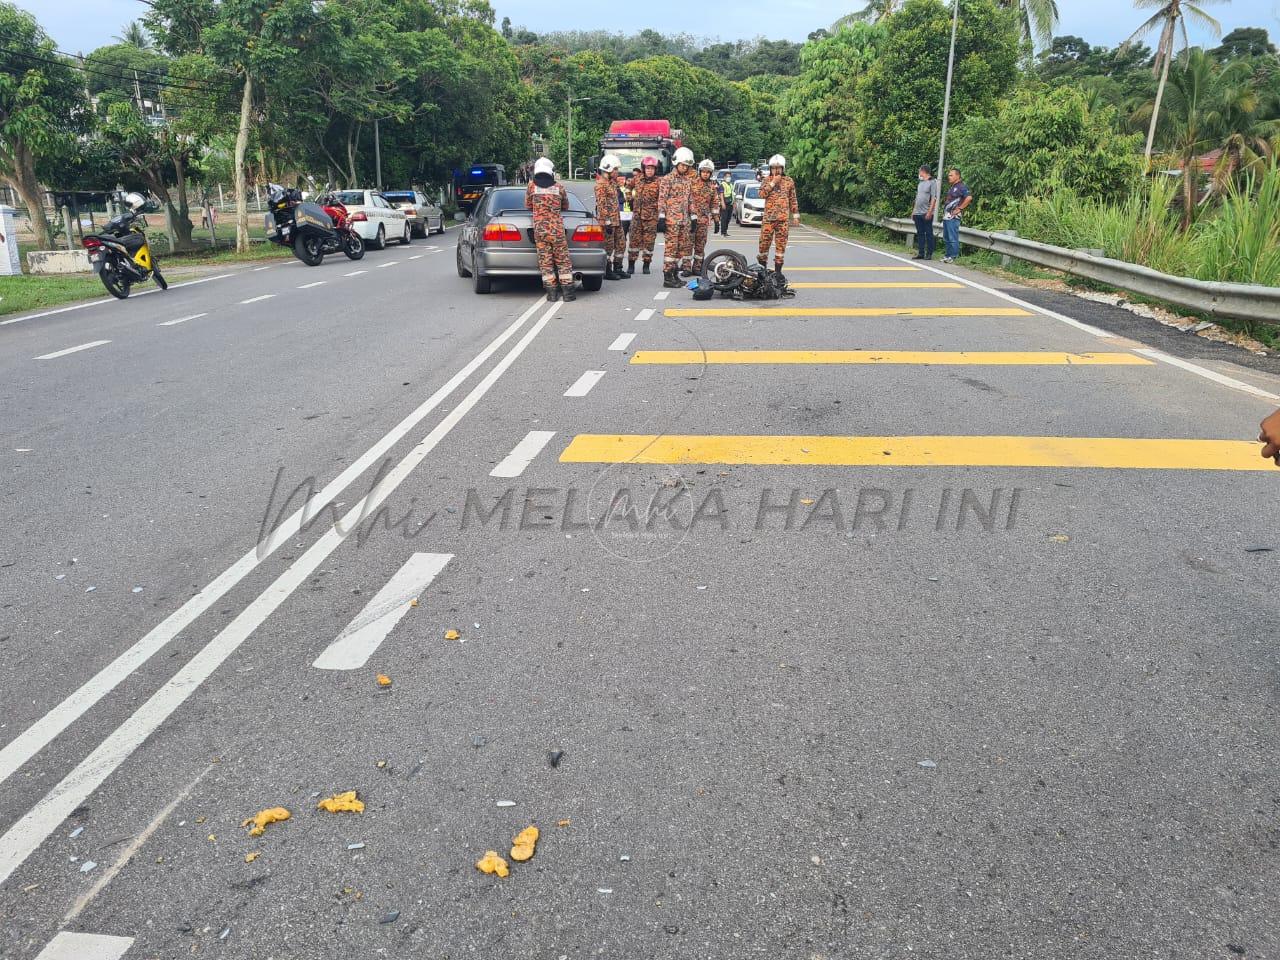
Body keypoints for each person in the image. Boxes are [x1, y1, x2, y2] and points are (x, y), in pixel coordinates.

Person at [525, 157, 576, 302]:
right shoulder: (559, 187)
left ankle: (552, 294)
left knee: (545, 262)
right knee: (563, 261)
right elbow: (565, 206)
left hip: (540, 231)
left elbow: (528, 205)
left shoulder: (531, 187)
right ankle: (568, 294)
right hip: (557, 231)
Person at [657, 146, 697, 287]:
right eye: (683, 165)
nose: (685, 168)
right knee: (671, 249)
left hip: (684, 220)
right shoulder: (667, 179)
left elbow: (690, 199)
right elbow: (662, 199)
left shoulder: (687, 181)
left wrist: (693, 218)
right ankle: (668, 277)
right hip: (671, 220)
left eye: (687, 166)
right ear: (676, 163)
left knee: (681, 248)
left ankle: (674, 274)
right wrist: (661, 217)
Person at [758, 153, 799, 275]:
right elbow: (761, 195)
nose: (776, 170)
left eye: (779, 168)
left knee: (781, 248)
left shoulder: (788, 181)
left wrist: (795, 215)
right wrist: (773, 183)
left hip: (783, 220)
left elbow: (793, 199)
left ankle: (778, 273)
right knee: (763, 246)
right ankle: (762, 271)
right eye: (774, 168)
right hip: (768, 220)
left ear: (783, 168)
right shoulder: (766, 180)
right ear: (770, 169)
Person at [594, 153, 627, 280]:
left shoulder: (612, 183)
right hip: (607, 222)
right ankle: (607, 270)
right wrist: (607, 221)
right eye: (615, 169)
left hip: (616, 220)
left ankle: (618, 268)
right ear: (608, 169)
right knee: (608, 247)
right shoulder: (600, 185)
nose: (617, 172)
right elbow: (602, 205)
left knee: (621, 244)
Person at [628, 156, 661, 276]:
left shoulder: (659, 182)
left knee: (649, 243)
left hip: (651, 218)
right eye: (647, 168)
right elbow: (628, 187)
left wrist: (660, 208)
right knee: (633, 242)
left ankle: (646, 265)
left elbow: (663, 197)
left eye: (652, 168)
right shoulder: (637, 179)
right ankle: (631, 264)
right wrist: (629, 198)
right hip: (637, 216)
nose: (649, 171)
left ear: (655, 170)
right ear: (644, 168)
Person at [689, 159, 723, 275]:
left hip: (703, 221)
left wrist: (717, 220)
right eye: (703, 171)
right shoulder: (692, 183)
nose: (705, 174)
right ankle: (686, 268)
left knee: (700, 245)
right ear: (700, 172)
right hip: (690, 220)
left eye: (708, 172)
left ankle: (697, 268)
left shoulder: (712, 187)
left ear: (711, 174)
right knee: (688, 245)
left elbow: (714, 204)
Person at [941, 168, 971, 264]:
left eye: (951, 175)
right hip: (947, 216)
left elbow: (969, 198)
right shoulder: (952, 187)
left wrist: (960, 208)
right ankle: (948, 255)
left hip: (954, 217)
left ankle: (953, 256)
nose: (949, 177)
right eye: (949, 175)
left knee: (952, 237)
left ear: (957, 176)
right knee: (946, 237)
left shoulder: (961, 186)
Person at [911, 164, 938, 261]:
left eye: (919, 171)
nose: (919, 173)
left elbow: (934, 198)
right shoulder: (920, 183)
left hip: (926, 212)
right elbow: (917, 198)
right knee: (920, 233)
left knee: (929, 233)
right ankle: (921, 253)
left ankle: (929, 253)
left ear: (923, 171)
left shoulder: (932, 182)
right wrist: (913, 211)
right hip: (917, 212)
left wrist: (930, 212)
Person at [719, 173, 734, 238]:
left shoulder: (731, 184)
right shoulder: (722, 185)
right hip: (725, 203)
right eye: (727, 176)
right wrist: (722, 203)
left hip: (730, 204)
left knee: (728, 219)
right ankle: (723, 232)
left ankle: (725, 231)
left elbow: (732, 194)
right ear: (724, 177)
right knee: (724, 219)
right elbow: (721, 194)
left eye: (729, 176)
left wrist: (734, 203)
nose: (729, 178)